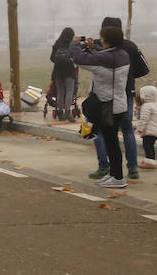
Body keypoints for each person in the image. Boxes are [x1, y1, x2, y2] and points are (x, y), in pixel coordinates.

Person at [89, 16, 150, 181]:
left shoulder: (99, 47)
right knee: (127, 130)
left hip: (104, 98)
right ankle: (133, 168)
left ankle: (104, 167)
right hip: (127, 95)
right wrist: (128, 77)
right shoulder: (130, 46)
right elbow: (145, 68)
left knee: (100, 131)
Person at [70, 26, 131, 188]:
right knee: (111, 141)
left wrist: (75, 44)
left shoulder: (107, 60)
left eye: (102, 39)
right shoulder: (122, 55)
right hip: (118, 104)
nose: (100, 40)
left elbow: (79, 58)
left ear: (108, 41)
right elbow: (103, 56)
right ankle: (113, 174)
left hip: (107, 107)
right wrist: (93, 48)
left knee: (111, 143)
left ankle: (118, 178)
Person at [50, 28, 78, 122]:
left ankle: (60, 112)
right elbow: (76, 57)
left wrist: (59, 61)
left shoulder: (57, 44)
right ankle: (67, 112)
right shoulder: (72, 44)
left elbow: (52, 58)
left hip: (57, 71)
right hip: (69, 70)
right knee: (69, 91)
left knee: (60, 92)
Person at [135, 85, 157, 169]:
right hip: (155, 130)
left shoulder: (146, 106)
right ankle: (150, 159)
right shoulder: (156, 105)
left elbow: (143, 119)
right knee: (150, 145)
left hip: (149, 130)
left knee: (147, 145)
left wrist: (139, 129)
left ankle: (150, 161)